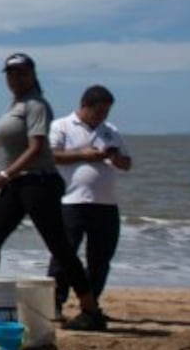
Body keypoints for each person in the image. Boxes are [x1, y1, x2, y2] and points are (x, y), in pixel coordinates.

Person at [0, 54, 108, 330]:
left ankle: (91, 311)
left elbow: (36, 148)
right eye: (10, 73)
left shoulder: (36, 105)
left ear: (33, 74)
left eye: (21, 73)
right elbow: (18, 143)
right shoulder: (17, 104)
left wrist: (1, 176)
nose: (15, 78)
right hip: (18, 183)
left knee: (60, 247)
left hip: (38, 183)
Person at [47, 85, 132, 318]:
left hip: (106, 204)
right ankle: (54, 304)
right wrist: (84, 155)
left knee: (101, 259)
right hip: (71, 201)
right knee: (64, 255)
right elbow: (51, 156)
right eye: (99, 111)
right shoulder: (61, 125)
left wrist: (115, 157)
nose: (103, 116)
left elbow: (127, 164)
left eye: (107, 112)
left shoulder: (111, 130)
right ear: (85, 106)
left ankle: (90, 305)